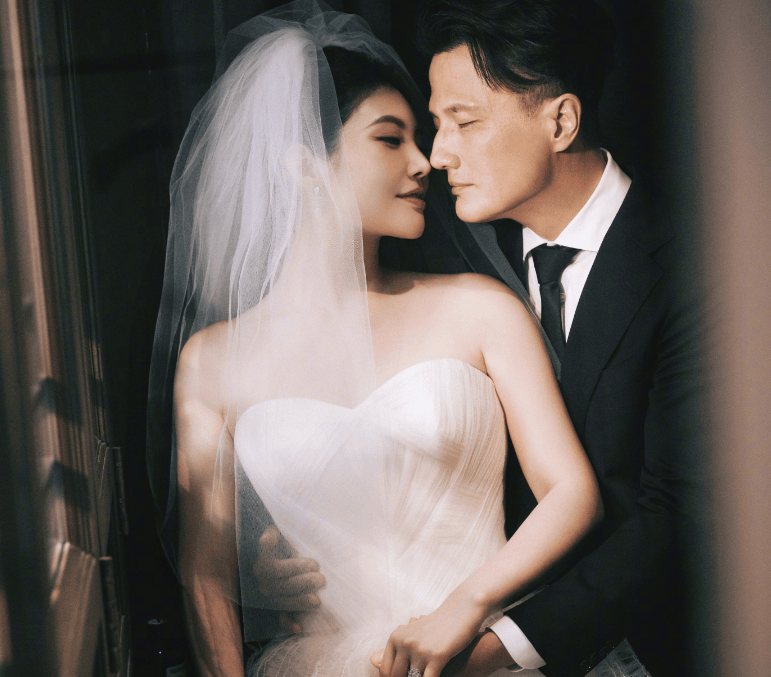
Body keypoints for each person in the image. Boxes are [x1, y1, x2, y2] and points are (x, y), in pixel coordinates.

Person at [146, 3, 604, 676]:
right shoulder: (212, 363)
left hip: (480, 657)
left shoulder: (481, 311)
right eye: (390, 139)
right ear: (305, 165)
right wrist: (260, 574)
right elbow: (205, 576)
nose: (426, 162)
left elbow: (571, 492)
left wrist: (465, 609)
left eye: (422, 137)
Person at [259, 1, 705, 676]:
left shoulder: (701, 264)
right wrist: (298, 546)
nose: (438, 156)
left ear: (561, 121)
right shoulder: (438, 249)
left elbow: (681, 511)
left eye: (463, 122)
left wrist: (493, 648)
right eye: (435, 125)